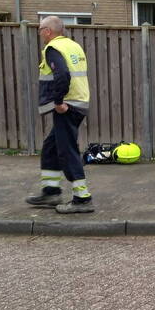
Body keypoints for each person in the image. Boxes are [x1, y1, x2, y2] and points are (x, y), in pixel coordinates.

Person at [25, 15, 94, 213]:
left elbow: (62, 75)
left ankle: (83, 199)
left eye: (40, 29)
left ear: (48, 31)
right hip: (78, 102)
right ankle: (51, 192)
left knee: (67, 150)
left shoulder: (53, 49)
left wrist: (58, 102)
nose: (39, 33)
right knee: (51, 147)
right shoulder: (73, 46)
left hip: (67, 105)